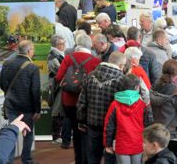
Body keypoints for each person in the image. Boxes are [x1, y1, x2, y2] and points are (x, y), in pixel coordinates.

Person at [55, 34, 100, 164]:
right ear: (89, 45)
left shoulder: (68, 58)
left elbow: (58, 77)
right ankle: (87, 160)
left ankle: (78, 160)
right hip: (87, 103)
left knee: (75, 131)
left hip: (68, 101)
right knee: (86, 132)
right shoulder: (95, 61)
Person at [77, 52, 127, 164]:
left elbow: (82, 102)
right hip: (112, 128)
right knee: (110, 159)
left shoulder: (90, 75)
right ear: (121, 65)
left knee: (93, 158)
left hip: (92, 124)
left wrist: (81, 120)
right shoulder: (122, 80)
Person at [0, 40, 41, 164]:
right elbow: (35, 91)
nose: (33, 52)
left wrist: (11, 94)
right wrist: (37, 110)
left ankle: (8, 161)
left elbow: (1, 83)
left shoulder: (7, 63)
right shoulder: (32, 67)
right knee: (28, 134)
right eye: (33, 49)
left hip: (11, 105)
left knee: (12, 134)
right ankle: (26, 160)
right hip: (27, 108)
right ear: (29, 51)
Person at [104, 74, 153, 164]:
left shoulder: (114, 104)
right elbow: (148, 124)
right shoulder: (143, 105)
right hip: (138, 143)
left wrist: (108, 144)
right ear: (136, 87)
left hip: (121, 144)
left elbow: (109, 126)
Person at [47, 35, 71, 148]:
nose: (64, 45)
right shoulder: (53, 56)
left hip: (60, 84)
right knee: (57, 110)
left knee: (60, 110)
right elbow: (58, 70)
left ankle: (58, 136)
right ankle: (56, 136)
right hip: (57, 85)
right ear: (57, 45)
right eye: (62, 44)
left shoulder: (59, 54)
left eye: (64, 43)